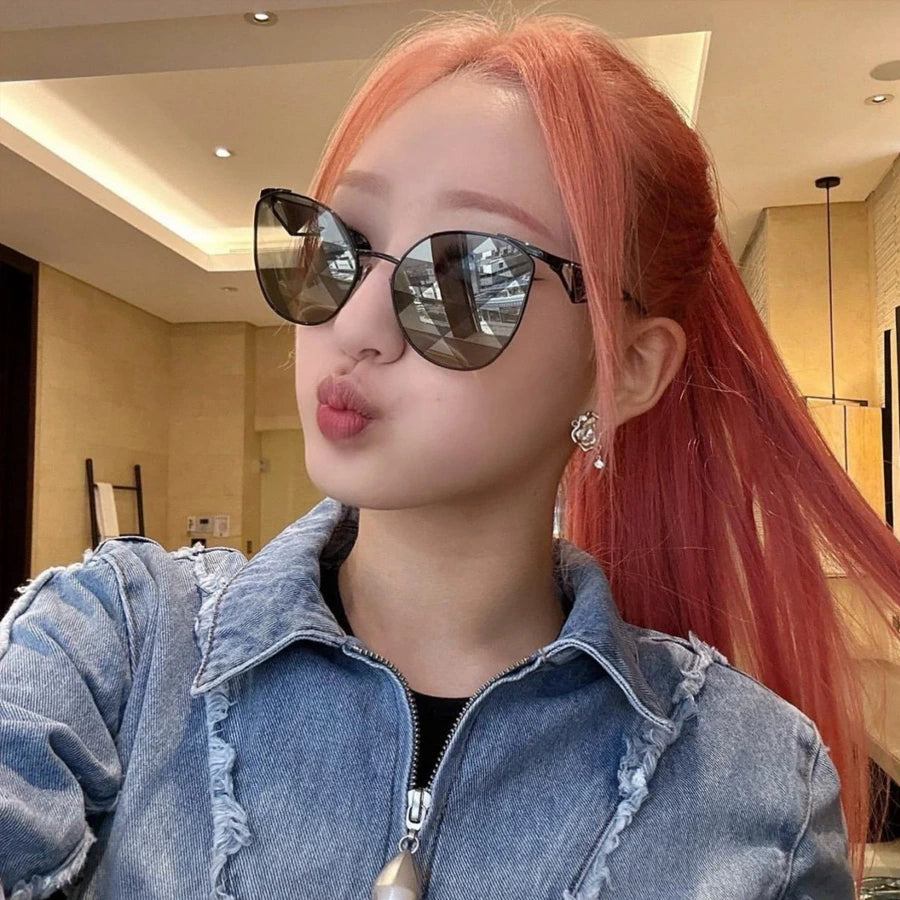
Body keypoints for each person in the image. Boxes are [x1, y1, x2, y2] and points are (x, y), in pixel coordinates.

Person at [1, 8, 896, 899]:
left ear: (623, 368)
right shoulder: (120, 645)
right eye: (342, 247)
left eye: (465, 277)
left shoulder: (756, 785)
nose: (356, 323)